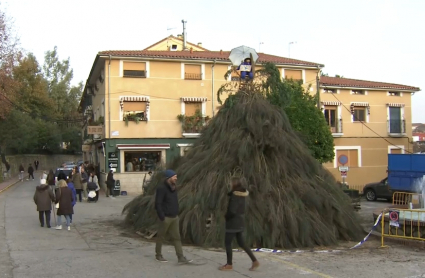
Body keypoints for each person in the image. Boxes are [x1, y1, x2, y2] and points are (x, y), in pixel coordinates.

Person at [218, 177, 259, 271]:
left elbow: (232, 211)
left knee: (227, 243)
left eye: (230, 183)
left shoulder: (235, 196)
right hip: (240, 221)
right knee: (242, 243)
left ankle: (229, 264)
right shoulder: (242, 196)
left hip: (233, 223)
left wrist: (226, 216)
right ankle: (255, 261)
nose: (229, 184)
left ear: (234, 184)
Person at [154, 169, 191, 264]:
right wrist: (162, 216)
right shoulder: (161, 188)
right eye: (174, 176)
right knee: (160, 237)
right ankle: (158, 255)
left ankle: (180, 257)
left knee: (177, 238)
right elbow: (158, 203)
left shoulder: (174, 188)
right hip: (165, 217)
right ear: (169, 178)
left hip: (174, 217)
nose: (176, 178)